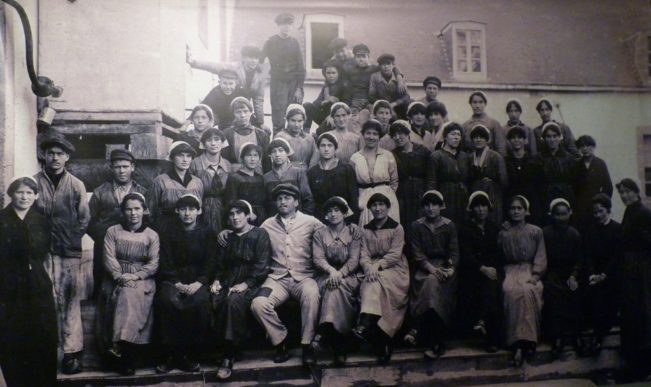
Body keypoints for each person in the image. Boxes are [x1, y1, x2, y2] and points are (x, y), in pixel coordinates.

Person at [250, 183, 324, 366]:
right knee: (258, 303)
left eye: (287, 198)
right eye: (280, 199)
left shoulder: (311, 221)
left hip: (304, 277)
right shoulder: (267, 224)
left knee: (312, 295)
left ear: (296, 202)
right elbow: (250, 234)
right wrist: (228, 232)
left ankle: (307, 346)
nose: (283, 202)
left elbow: (330, 232)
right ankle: (281, 343)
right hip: (276, 279)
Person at [34, 136, 90, 374]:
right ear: (44, 156)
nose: (55, 158)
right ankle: (46, 351)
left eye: (60, 154)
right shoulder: (34, 183)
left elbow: (84, 218)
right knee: (46, 299)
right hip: (42, 252)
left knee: (69, 301)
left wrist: (70, 238)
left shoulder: (76, 184)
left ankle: (71, 354)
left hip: (68, 252)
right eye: (50, 153)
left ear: (67, 157)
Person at [0, 177, 57, 387]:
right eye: (20, 192)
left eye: (29, 193)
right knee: (13, 336)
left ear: (36, 196)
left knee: (42, 335)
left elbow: (46, 254)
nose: (24, 197)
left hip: (37, 285)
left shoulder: (41, 221)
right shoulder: (2, 219)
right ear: (11, 194)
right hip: (8, 285)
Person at [97, 193, 159, 375]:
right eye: (129, 209)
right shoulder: (112, 231)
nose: (133, 213)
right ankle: (125, 353)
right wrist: (119, 276)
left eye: (137, 209)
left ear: (144, 211)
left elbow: (153, 264)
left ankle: (122, 350)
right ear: (123, 211)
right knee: (123, 293)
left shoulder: (152, 235)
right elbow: (108, 258)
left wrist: (136, 276)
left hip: (142, 279)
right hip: (115, 277)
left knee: (129, 294)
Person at [211, 200, 272, 380]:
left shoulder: (260, 234)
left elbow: (262, 265)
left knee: (234, 300)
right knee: (214, 299)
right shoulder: (226, 238)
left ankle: (229, 354)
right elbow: (220, 265)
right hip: (228, 279)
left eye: (239, 213)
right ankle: (215, 349)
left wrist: (246, 284)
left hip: (252, 282)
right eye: (231, 214)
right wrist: (216, 281)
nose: (235, 217)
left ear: (247, 215)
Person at [155, 195, 214, 374]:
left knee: (199, 303)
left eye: (191, 209)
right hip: (173, 278)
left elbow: (210, 262)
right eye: (183, 209)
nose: (187, 213)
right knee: (167, 301)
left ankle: (189, 354)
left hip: (198, 279)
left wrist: (200, 282)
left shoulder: (207, 231)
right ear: (177, 211)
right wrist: (176, 282)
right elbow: (165, 261)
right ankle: (171, 355)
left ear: (199, 211)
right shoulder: (168, 231)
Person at [353, 193, 409, 364]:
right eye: (374, 205)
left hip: (394, 268)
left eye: (381, 205)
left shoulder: (397, 228)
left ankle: (366, 323)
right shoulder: (365, 230)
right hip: (372, 269)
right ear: (369, 209)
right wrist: (369, 267)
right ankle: (379, 339)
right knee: (371, 281)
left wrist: (377, 266)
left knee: (377, 282)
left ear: (388, 207)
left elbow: (395, 254)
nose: (378, 209)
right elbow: (363, 254)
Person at [404, 190, 458, 359]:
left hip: (445, 268)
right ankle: (435, 341)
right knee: (430, 283)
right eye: (427, 205)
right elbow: (416, 253)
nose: (430, 208)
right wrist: (431, 269)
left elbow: (454, 252)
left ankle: (417, 329)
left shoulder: (449, 225)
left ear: (441, 206)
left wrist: (451, 268)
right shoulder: (416, 226)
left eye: (435, 204)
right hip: (425, 268)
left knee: (435, 286)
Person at [89, 149, 147, 298]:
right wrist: (104, 237)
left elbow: (148, 220)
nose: (122, 170)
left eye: (125, 166)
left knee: (131, 288)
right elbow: (89, 220)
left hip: (133, 248)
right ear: (111, 168)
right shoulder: (100, 192)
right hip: (105, 245)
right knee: (104, 286)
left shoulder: (142, 191)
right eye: (117, 167)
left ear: (132, 167)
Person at [310, 197, 362, 366]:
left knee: (336, 289)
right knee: (331, 288)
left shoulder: (353, 232)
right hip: (326, 274)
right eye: (329, 211)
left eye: (337, 210)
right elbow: (318, 258)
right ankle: (340, 346)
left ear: (344, 213)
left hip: (348, 275)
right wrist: (331, 271)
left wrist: (340, 273)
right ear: (325, 215)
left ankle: (325, 333)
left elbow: (354, 259)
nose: (333, 214)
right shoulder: (319, 234)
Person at [499, 195, 546, 367]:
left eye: (520, 208)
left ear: (526, 211)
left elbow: (541, 256)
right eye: (513, 208)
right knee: (510, 291)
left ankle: (530, 340)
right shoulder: (503, 233)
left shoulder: (536, 231)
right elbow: (499, 257)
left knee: (529, 290)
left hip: (529, 270)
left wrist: (536, 275)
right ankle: (516, 342)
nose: (516, 211)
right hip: (510, 270)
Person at [615, 178, 651, 381]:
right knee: (630, 315)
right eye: (621, 193)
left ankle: (644, 366)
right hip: (630, 270)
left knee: (643, 314)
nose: (624, 196)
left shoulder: (644, 213)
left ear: (637, 192)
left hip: (643, 271)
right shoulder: (629, 212)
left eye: (627, 192)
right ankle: (634, 365)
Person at [458, 191, 503, 352]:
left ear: (488, 208)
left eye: (483, 205)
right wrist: (481, 268)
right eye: (476, 206)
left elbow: (498, 253)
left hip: (491, 270)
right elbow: (465, 254)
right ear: (472, 209)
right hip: (472, 270)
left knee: (492, 287)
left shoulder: (494, 228)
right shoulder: (465, 229)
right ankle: (484, 327)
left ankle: (489, 332)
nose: (480, 209)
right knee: (483, 287)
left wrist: (492, 269)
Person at [187, 45, 268, 129]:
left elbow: (258, 100)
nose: (253, 61)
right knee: (208, 126)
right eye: (251, 57)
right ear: (244, 58)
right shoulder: (234, 67)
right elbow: (214, 66)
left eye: (256, 58)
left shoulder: (260, 76)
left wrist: (260, 122)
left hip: (240, 109)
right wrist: (194, 63)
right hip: (223, 104)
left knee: (256, 130)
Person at [542, 198, 583, 359]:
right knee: (552, 293)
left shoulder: (574, 234)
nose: (561, 218)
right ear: (552, 215)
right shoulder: (545, 233)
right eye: (557, 214)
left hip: (570, 273)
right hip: (552, 272)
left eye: (564, 214)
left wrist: (573, 276)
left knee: (575, 292)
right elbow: (542, 257)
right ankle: (557, 337)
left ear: (570, 213)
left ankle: (575, 336)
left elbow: (579, 261)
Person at [582, 193, 621, 355]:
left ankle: (598, 338)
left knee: (605, 295)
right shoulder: (591, 231)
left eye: (601, 211)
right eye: (595, 212)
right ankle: (593, 334)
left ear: (608, 210)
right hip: (595, 276)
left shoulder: (617, 229)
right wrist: (591, 274)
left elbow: (617, 256)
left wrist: (604, 275)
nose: (597, 215)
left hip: (612, 275)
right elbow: (588, 255)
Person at [350, 119, 400, 226]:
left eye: (375, 134)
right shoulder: (355, 157)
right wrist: (359, 200)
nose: (371, 137)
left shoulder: (387, 155)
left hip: (386, 199)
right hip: (364, 199)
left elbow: (394, 180)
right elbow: (352, 183)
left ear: (379, 136)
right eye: (368, 133)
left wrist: (388, 197)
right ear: (363, 134)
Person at [262, 13, 306, 131]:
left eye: (289, 25)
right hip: (278, 83)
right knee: (278, 118)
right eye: (284, 24)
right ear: (278, 26)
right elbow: (260, 60)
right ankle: (277, 145)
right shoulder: (271, 42)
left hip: (293, 84)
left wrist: (299, 88)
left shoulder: (294, 43)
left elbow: (301, 67)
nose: (287, 27)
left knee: (294, 115)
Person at [149, 141, 204, 229]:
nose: (185, 159)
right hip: (166, 228)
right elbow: (151, 210)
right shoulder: (160, 181)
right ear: (172, 157)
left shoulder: (197, 182)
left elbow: (199, 209)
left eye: (188, 156)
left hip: (190, 230)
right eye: (180, 155)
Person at [390, 120, 435, 227]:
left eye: (400, 133)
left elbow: (431, 175)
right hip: (402, 195)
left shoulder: (422, 150)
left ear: (407, 134)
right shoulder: (392, 154)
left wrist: (428, 194)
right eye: (394, 135)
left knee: (422, 223)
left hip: (420, 193)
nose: (397, 137)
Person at [307, 132, 359, 222]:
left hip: (343, 217)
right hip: (320, 218)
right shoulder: (313, 172)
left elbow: (353, 197)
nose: (326, 149)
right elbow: (311, 200)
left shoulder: (346, 169)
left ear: (335, 148)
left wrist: (352, 221)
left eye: (330, 145)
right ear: (318, 148)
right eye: (323, 146)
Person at [189, 128, 231, 235]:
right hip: (201, 208)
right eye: (209, 140)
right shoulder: (195, 163)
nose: (213, 143)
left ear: (222, 143)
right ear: (203, 144)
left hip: (222, 208)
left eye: (217, 139)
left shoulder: (227, 165)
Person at [343, 44, 405, 114]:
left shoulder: (373, 68)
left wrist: (399, 79)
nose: (361, 59)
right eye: (358, 56)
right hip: (355, 101)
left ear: (368, 57)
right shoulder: (349, 71)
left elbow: (393, 67)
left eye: (364, 56)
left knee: (375, 115)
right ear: (354, 58)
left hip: (370, 101)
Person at [430, 122, 470, 226]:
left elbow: (468, 180)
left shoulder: (464, 157)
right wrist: (435, 202)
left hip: (462, 198)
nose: (456, 137)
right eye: (453, 134)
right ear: (445, 137)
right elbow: (431, 181)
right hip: (445, 197)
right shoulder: (436, 156)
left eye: (459, 135)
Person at [467, 124, 508, 225]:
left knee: (493, 221)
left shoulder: (495, 156)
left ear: (487, 140)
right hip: (475, 192)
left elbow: (504, 181)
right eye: (475, 137)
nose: (478, 139)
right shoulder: (469, 157)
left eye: (481, 137)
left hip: (492, 193)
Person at [263, 137, 315, 215]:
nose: (277, 155)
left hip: (297, 220)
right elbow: (265, 203)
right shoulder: (267, 177)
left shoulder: (298, 172)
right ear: (270, 155)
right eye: (274, 151)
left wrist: (305, 218)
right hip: (274, 222)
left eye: (281, 150)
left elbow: (307, 198)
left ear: (287, 153)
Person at [504, 126, 545, 225]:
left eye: (519, 137)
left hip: (532, 201)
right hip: (513, 202)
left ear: (525, 140)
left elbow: (541, 185)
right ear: (509, 141)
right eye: (513, 138)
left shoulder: (535, 161)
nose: (516, 140)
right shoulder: (505, 161)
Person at [536, 122, 576, 222]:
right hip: (545, 199)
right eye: (548, 136)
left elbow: (575, 183)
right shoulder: (538, 159)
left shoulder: (569, 159)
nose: (552, 140)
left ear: (560, 137)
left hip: (565, 197)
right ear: (544, 138)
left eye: (555, 136)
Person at [572, 135, 613, 232]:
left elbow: (608, 187)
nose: (585, 149)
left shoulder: (600, 163)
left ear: (593, 147)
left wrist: (602, 204)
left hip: (596, 205)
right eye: (582, 146)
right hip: (580, 206)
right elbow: (573, 187)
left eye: (588, 146)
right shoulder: (576, 165)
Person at [221, 96, 271, 172]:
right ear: (233, 114)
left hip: (258, 175)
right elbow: (224, 160)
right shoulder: (226, 134)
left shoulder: (261, 135)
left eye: (245, 111)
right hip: (235, 175)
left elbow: (266, 161)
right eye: (238, 112)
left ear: (251, 113)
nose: (242, 115)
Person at [223, 143, 268, 223]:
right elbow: (231, 202)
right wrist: (247, 213)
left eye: (255, 155)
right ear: (242, 158)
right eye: (248, 155)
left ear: (259, 159)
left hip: (261, 217)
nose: (252, 159)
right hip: (243, 217)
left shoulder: (260, 178)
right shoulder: (235, 177)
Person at [303, 60, 351, 132]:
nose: (331, 76)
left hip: (337, 117)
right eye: (328, 73)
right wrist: (325, 102)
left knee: (319, 132)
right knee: (307, 105)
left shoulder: (344, 85)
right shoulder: (326, 86)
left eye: (333, 73)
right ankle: (306, 132)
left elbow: (346, 106)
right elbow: (315, 103)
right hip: (324, 116)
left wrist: (332, 115)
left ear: (339, 73)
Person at [462, 91, 506, 157]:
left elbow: (501, 148)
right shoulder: (465, 126)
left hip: (489, 162)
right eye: (474, 102)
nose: (477, 106)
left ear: (485, 104)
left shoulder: (494, 124)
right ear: (470, 104)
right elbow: (462, 149)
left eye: (480, 102)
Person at [275, 104, 318, 170]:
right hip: (287, 174)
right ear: (287, 120)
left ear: (304, 121)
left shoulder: (309, 139)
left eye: (300, 121)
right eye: (293, 120)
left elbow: (315, 159)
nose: (296, 125)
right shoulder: (281, 137)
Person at [368, 53, 410, 118]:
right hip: (380, 106)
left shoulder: (399, 78)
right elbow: (371, 97)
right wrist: (386, 106)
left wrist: (394, 104)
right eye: (383, 64)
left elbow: (406, 96)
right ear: (379, 66)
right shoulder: (374, 77)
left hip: (397, 107)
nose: (386, 66)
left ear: (393, 65)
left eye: (388, 64)